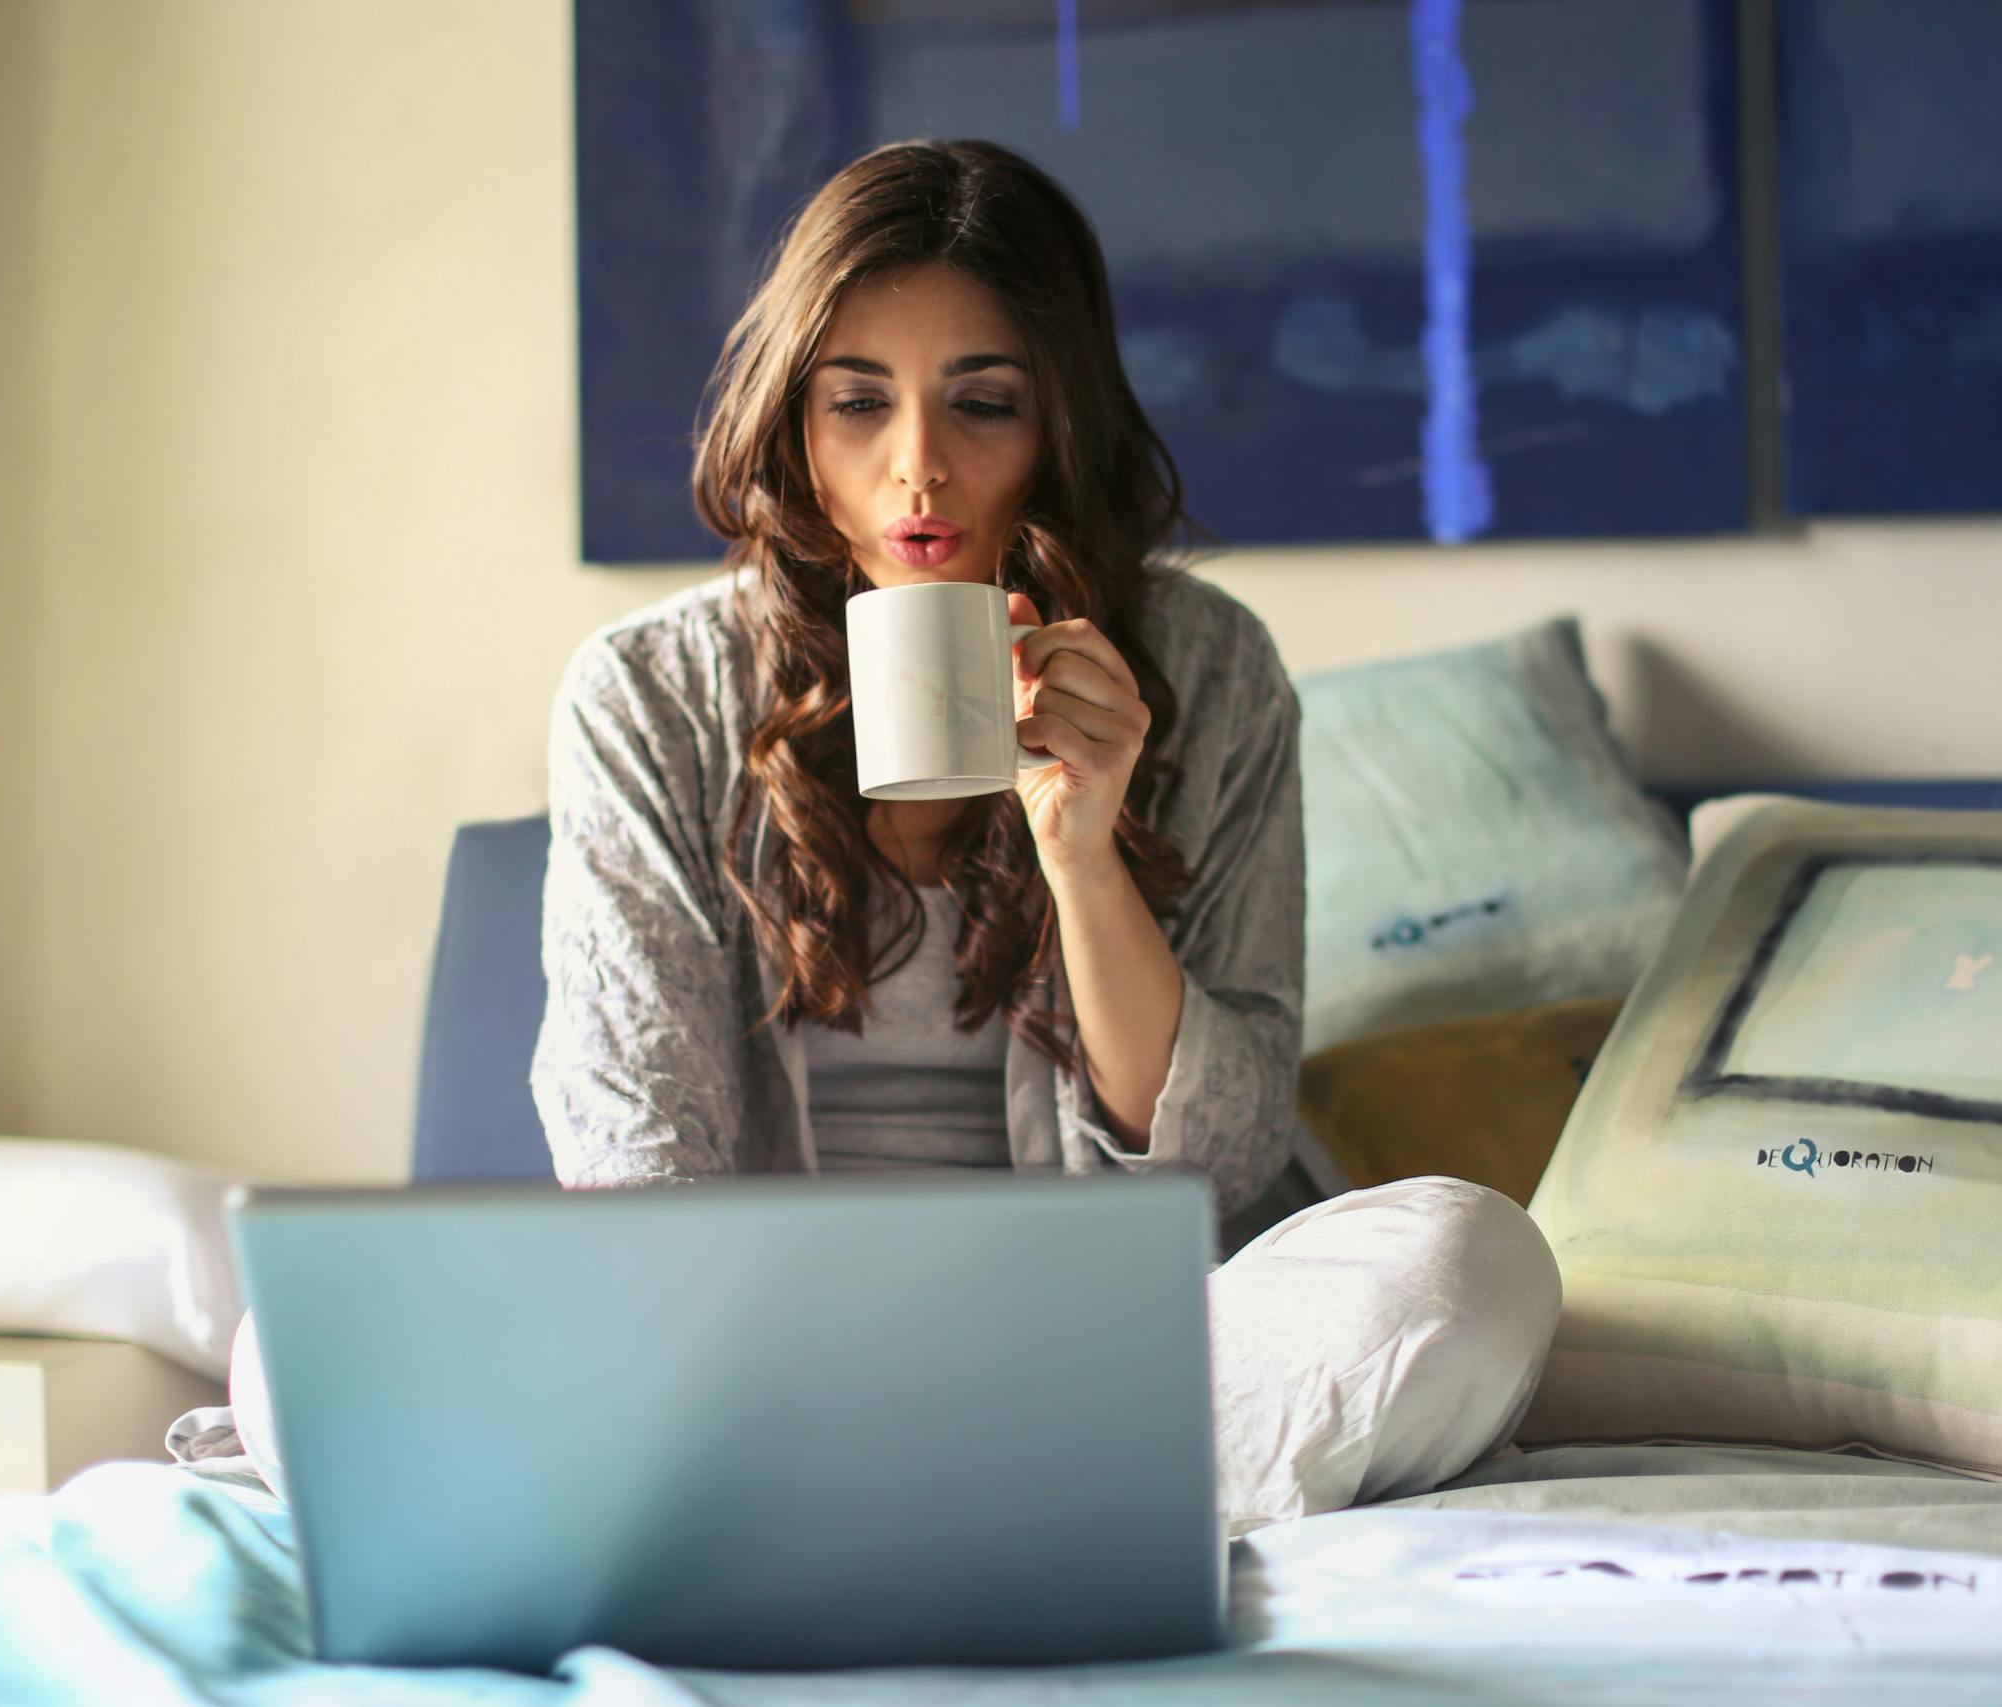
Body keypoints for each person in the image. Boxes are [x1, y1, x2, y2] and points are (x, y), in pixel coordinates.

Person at [229, 138, 1558, 1539]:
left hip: (1106, 1354)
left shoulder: (1210, 675)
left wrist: (1085, 847)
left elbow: (1217, 1161)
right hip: (750, 1355)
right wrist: (735, 1359)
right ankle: (984, 1504)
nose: (917, 469)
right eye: (858, 402)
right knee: (294, 1353)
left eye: (983, 404)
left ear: (1063, 423)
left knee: (1471, 1268)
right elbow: (634, 1146)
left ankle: (821, 1510)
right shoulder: (652, 696)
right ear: (793, 424)